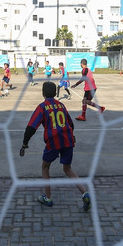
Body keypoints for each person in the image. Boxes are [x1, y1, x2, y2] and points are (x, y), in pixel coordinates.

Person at [19, 81, 91, 211]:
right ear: (55, 93)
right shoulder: (61, 105)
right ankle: (84, 193)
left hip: (54, 140)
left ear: (43, 93)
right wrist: (72, 135)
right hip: (68, 139)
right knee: (68, 168)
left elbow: (31, 127)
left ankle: (48, 198)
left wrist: (25, 143)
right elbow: (71, 124)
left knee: (45, 166)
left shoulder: (42, 107)